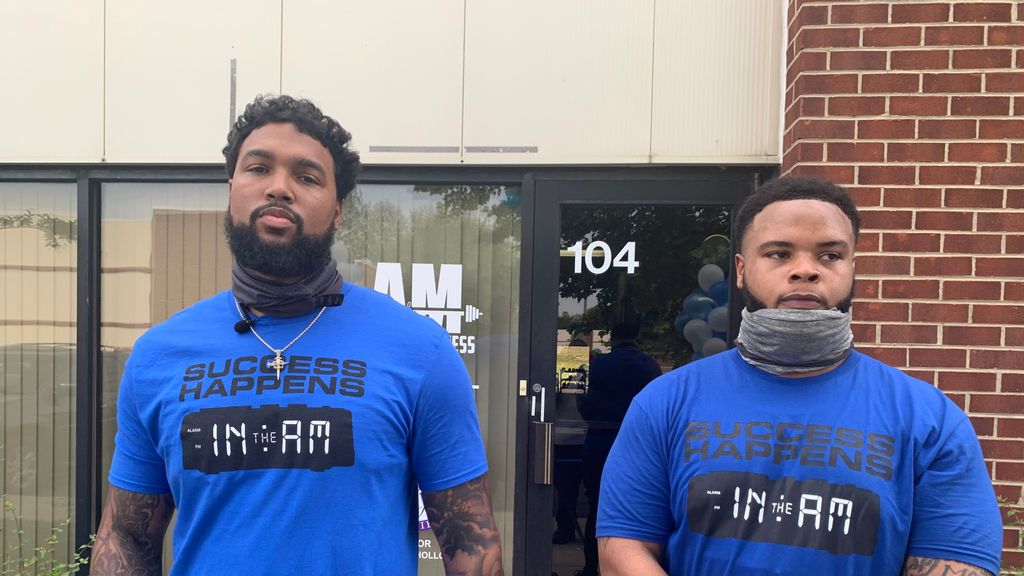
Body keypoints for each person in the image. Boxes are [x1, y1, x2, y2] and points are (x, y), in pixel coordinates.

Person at [92, 95, 504, 576]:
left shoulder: (420, 351)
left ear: (338, 210)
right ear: (231, 188)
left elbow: (469, 540)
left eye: (307, 177)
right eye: (258, 168)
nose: (279, 188)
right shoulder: (157, 357)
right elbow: (125, 536)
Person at [597, 176, 1002, 575]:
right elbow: (622, 550)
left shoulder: (930, 420)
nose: (805, 270)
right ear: (740, 270)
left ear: (852, 267)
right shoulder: (664, 402)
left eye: (829, 255)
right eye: (778, 254)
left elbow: (957, 560)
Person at [577, 322, 661, 576]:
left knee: (596, 509)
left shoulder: (599, 365)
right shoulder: (650, 367)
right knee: (640, 514)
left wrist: (593, 420)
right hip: (640, 448)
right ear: (636, 335)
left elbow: (583, 399)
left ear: (613, 338)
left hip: (600, 441)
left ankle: (592, 568)